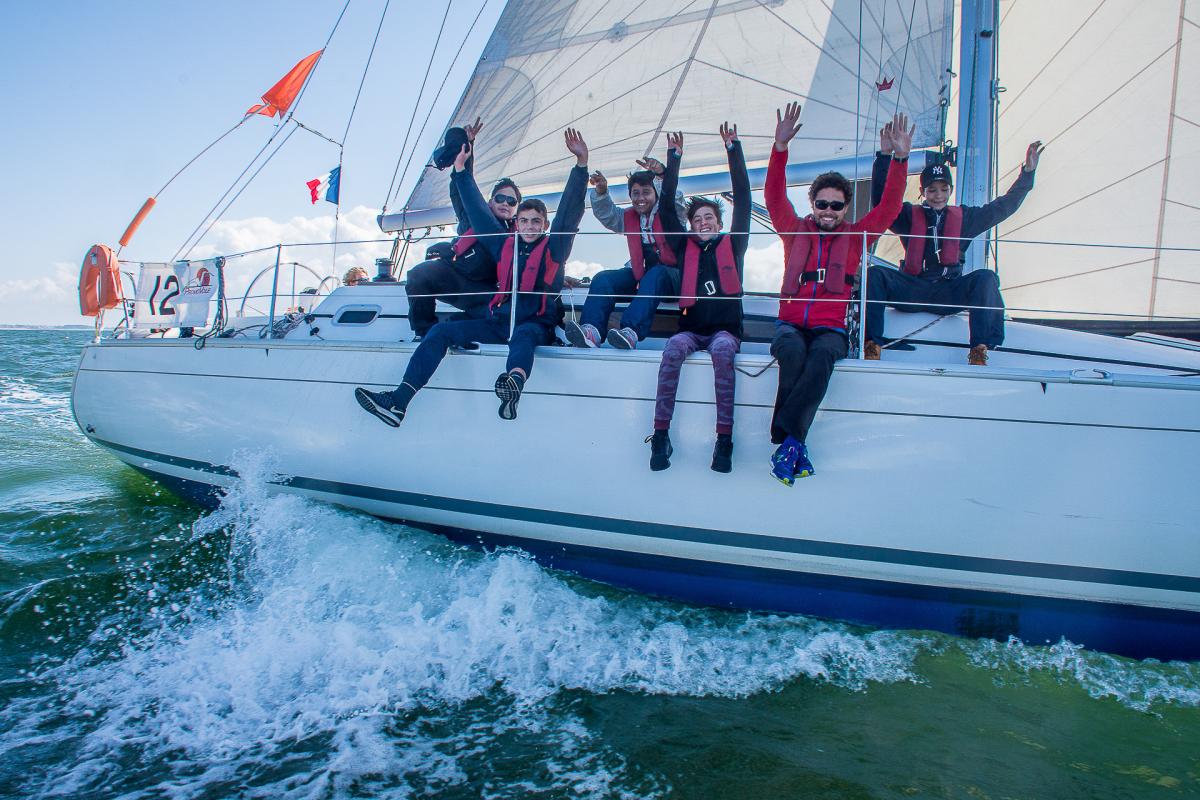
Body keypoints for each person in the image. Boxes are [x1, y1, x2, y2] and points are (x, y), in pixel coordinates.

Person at [354, 129, 590, 426]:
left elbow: (569, 212)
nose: (530, 226)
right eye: (525, 221)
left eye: (536, 222)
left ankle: (513, 386)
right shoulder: (504, 244)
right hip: (499, 322)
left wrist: (581, 166)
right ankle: (399, 402)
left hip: (535, 323)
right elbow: (478, 211)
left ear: (544, 225)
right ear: (517, 223)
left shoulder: (555, 248)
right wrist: (461, 171)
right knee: (440, 332)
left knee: (524, 336)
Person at [765, 103, 912, 485]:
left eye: (836, 205)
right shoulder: (793, 229)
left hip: (830, 329)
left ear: (846, 207)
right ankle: (794, 443)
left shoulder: (857, 237)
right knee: (792, 352)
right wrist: (780, 149)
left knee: (823, 356)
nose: (828, 210)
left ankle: (787, 439)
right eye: (822, 203)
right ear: (812, 204)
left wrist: (900, 160)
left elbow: (890, 206)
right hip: (790, 325)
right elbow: (774, 196)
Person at [864, 136, 1043, 365]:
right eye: (932, 190)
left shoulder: (966, 218)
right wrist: (884, 157)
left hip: (949, 292)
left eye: (943, 189)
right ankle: (872, 344)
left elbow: (1003, 207)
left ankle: (979, 349)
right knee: (876, 274)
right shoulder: (908, 216)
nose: (938, 195)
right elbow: (882, 203)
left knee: (986, 278)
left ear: (951, 190)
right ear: (922, 191)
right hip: (914, 289)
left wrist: (1027, 173)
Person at [646, 123, 748, 473]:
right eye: (698, 219)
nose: (704, 222)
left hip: (725, 333)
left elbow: (744, 197)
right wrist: (673, 160)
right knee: (673, 348)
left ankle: (724, 439)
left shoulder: (734, 244)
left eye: (709, 218)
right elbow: (665, 211)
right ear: (691, 226)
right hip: (690, 331)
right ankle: (660, 435)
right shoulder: (683, 246)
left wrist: (733, 150)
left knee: (722, 351)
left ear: (719, 222)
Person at [403, 118, 520, 339]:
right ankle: (423, 332)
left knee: (498, 316)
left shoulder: (517, 237)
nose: (505, 203)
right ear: (490, 203)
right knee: (419, 274)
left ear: (516, 209)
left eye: (511, 201)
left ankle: (453, 329)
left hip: (483, 290)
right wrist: (467, 149)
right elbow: (465, 190)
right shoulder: (472, 217)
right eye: (500, 198)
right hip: (455, 277)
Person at [563, 157, 687, 349]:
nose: (640, 198)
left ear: (656, 193)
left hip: (675, 279)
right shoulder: (630, 217)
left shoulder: (671, 213)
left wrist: (662, 175)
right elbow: (609, 215)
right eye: (635, 193)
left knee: (657, 274)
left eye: (646, 192)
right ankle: (592, 332)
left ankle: (631, 331)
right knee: (603, 279)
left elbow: (674, 198)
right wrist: (601, 192)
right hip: (645, 279)